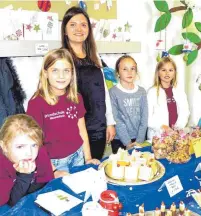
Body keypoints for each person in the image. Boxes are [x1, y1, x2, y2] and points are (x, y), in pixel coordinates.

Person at [27, 48, 100, 175]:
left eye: (66, 71)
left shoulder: (76, 97)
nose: (61, 76)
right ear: (45, 73)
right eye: (55, 70)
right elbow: (35, 142)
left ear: (72, 73)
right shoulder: (36, 103)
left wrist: (87, 158)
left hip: (78, 156)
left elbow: (82, 130)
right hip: (53, 163)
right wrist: (53, 171)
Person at [61, 6, 116, 160]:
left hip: (98, 126)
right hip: (75, 130)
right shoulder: (62, 57)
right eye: (73, 24)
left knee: (95, 168)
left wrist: (110, 122)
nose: (79, 28)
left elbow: (103, 90)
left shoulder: (94, 56)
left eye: (83, 25)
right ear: (65, 30)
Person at [0, 114, 54, 207]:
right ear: (4, 146)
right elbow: (9, 204)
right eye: (20, 147)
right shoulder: (2, 165)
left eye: (34, 145)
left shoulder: (40, 152)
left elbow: (46, 182)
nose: (29, 153)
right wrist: (24, 176)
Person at [109, 55, 148, 153]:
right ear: (118, 73)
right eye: (125, 69)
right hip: (120, 140)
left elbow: (144, 117)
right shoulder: (113, 92)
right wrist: (127, 143)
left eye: (132, 68)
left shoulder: (142, 91)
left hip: (139, 138)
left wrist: (139, 140)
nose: (129, 72)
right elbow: (116, 119)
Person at [147, 57, 190, 140]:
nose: (167, 73)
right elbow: (148, 118)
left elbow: (185, 112)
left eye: (171, 70)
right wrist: (163, 127)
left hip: (175, 136)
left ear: (174, 73)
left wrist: (177, 128)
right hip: (158, 137)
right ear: (158, 73)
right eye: (163, 70)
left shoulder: (180, 92)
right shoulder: (152, 92)